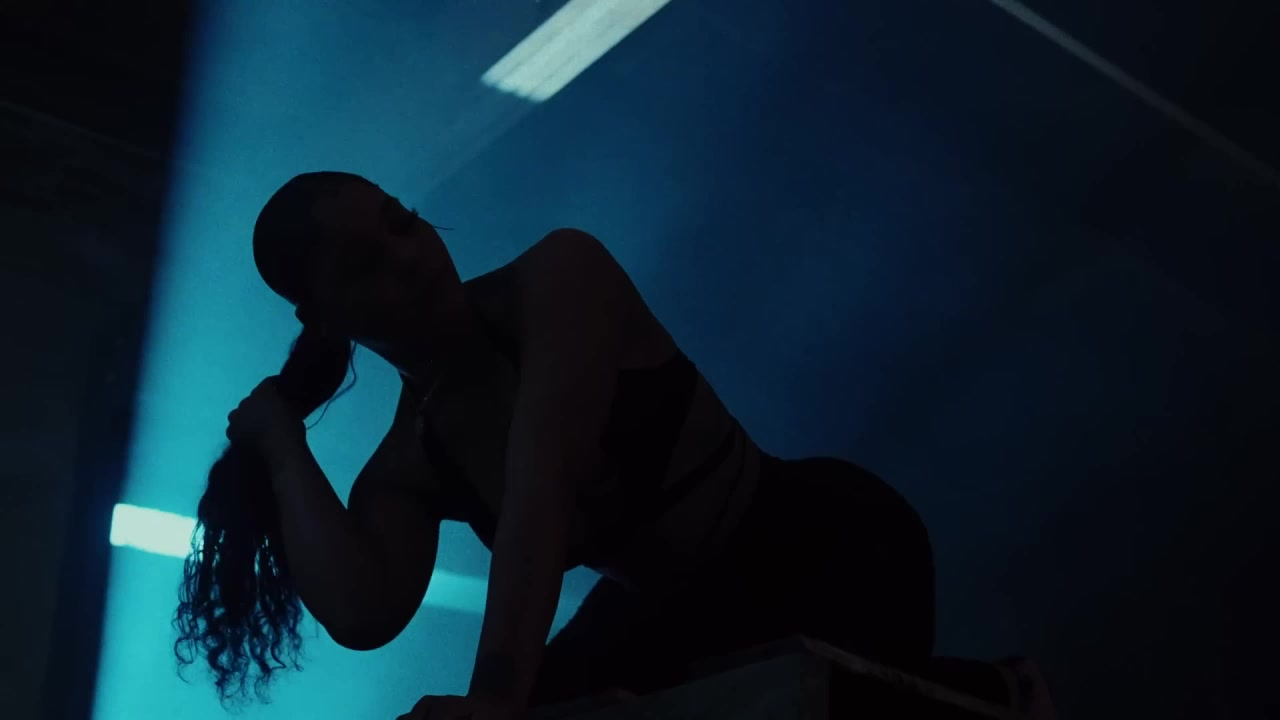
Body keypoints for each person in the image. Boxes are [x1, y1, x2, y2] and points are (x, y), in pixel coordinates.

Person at [173, 171, 1055, 720]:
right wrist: (283, 445)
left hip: (820, 543)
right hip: (673, 613)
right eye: (365, 264)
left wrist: (492, 700)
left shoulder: (561, 275)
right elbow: (363, 613)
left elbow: (542, 480)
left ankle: (991, 693)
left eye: (401, 221)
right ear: (323, 317)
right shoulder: (410, 462)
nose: (408, 256)